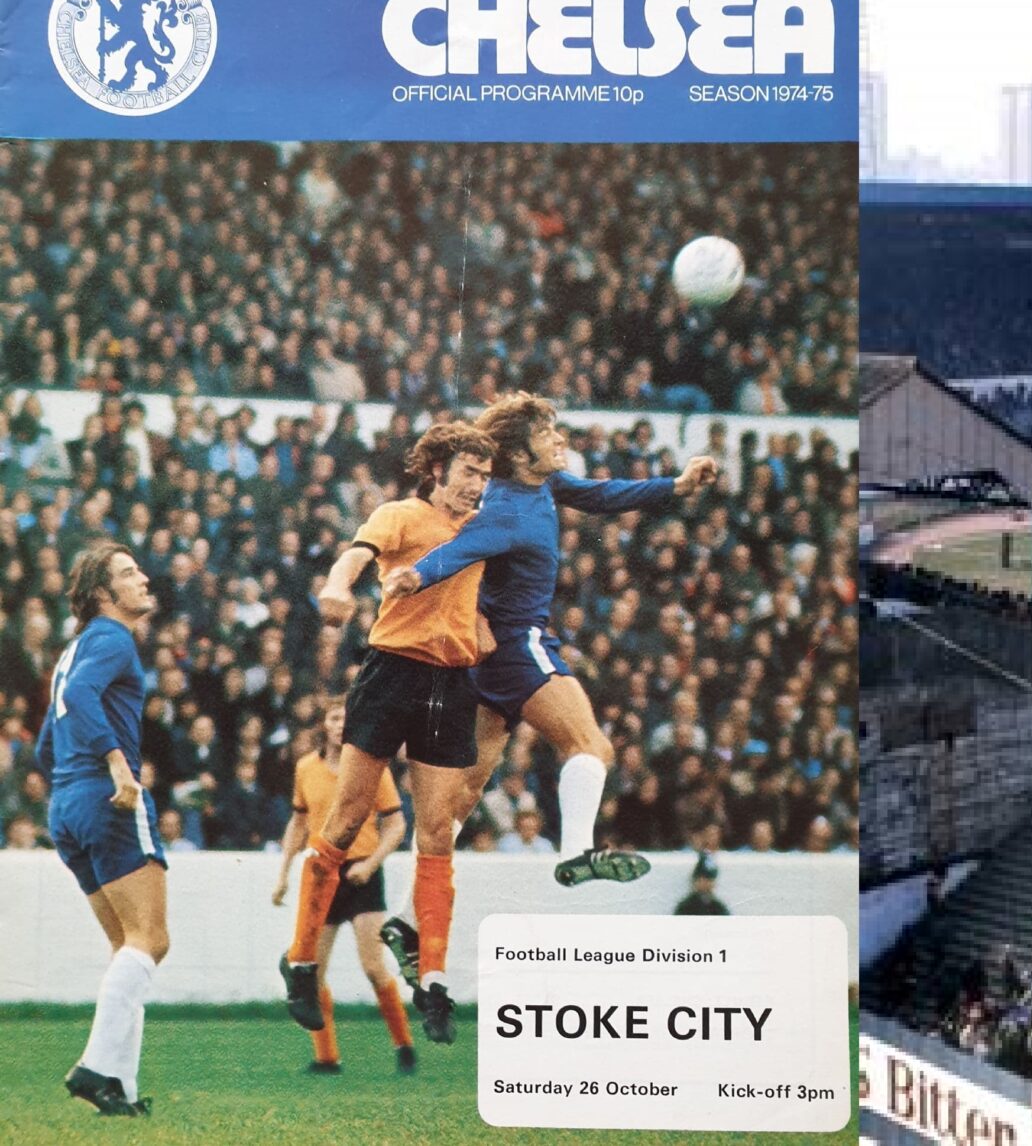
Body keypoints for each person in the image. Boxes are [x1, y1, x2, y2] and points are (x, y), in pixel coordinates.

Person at [383, 392, 717, 889]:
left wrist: (677, 485)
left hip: (491, 655)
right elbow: (459, 550)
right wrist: (416, 576)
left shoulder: (544, 482)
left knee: (466, 791)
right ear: (519, 454)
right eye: (545, 434)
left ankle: (412, 915)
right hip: (520, 647)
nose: (559, 439)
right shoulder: (507, 512)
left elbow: (602, 495)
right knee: (591, 746)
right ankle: (578, 852)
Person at [286, 423, 498, 1046]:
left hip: (450, 683)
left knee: (438, 831)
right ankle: (301, 960)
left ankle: (432, 981)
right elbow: (355, 554)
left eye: (484, 477)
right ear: (438, 470)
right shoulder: (401, 515)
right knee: (348, 820)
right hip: (392, 671)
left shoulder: (482, 532)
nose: (476, 487)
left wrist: (480, 628)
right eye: (467, 473)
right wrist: (336, 585)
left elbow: (476, 594)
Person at [38, 545, 165, 1116]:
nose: (142, 578)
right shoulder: (113, 639)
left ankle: (121, 1088)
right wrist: (115, 764)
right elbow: (80, 697)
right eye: (127, 573)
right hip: (107, 797)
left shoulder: (75, 649)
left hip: (68, 802)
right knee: (151, 940)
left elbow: (47, 741)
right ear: (102, 595)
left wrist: (75, 785)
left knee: (124, 947)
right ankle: (94, 1068)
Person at [273, 702, 415, 1075]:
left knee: (373, 966)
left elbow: (397, 824)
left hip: (361, 871)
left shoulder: (371, 766)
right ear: (324, 724)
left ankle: (403, 1044)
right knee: (313, 971)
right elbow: (298, 821)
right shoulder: (306, 767)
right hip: (322, 870)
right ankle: (326, 1057)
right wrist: (284, 872)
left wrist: (372, 863)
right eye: (335, 718)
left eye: (347, 719)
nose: (340, 725)